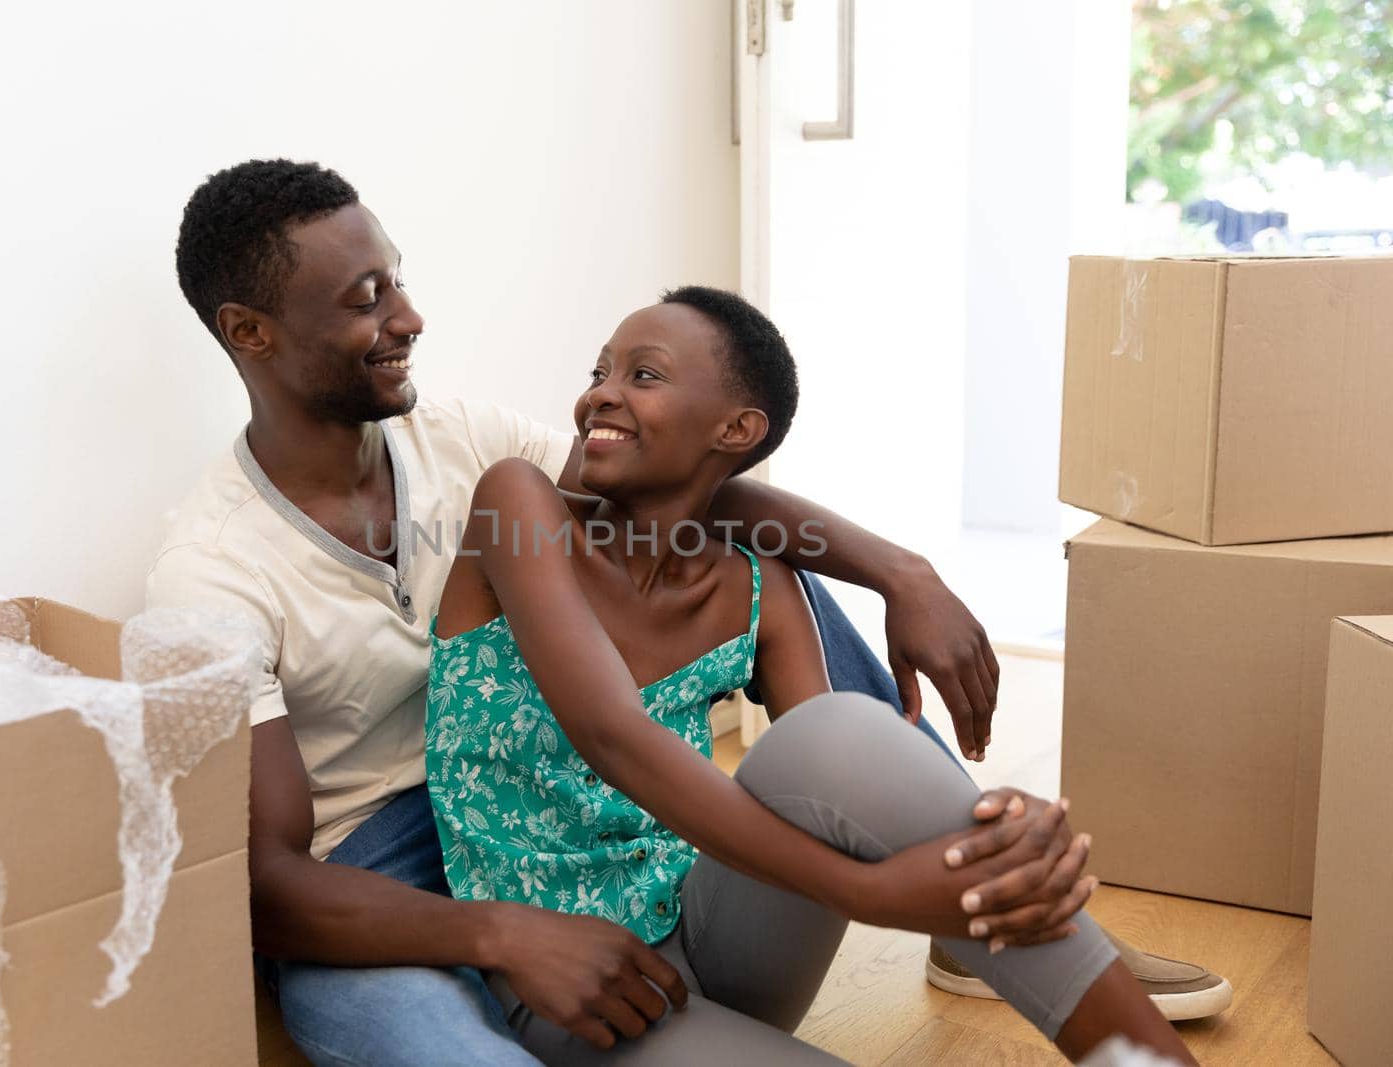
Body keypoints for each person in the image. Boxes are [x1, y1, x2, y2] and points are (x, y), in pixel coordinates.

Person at [146, 159, 1230, 1066]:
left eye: (397, 281)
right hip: (378, 880)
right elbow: (271, 888)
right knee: (424, 1040)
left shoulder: (456, 434)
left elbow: (675, 487)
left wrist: (901, 570)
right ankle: (948, 889)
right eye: (366, 296)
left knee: (799, 631)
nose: (408, 316)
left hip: (584, 809)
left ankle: (988, 890)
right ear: (251, 331)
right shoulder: (211, 572)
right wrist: (503, 926)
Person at [423, 286, 1195, 1064]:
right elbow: (610, 732)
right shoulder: (517, 505)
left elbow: (842, 795)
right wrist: (870, 892)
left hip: (716, 935)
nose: (599, 394)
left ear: (736, 429)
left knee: (841, 729)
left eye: (643, 375)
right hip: (574, 989)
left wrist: (986, 827)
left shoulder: (758, 587)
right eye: (601, 370)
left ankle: (1142, 1050)